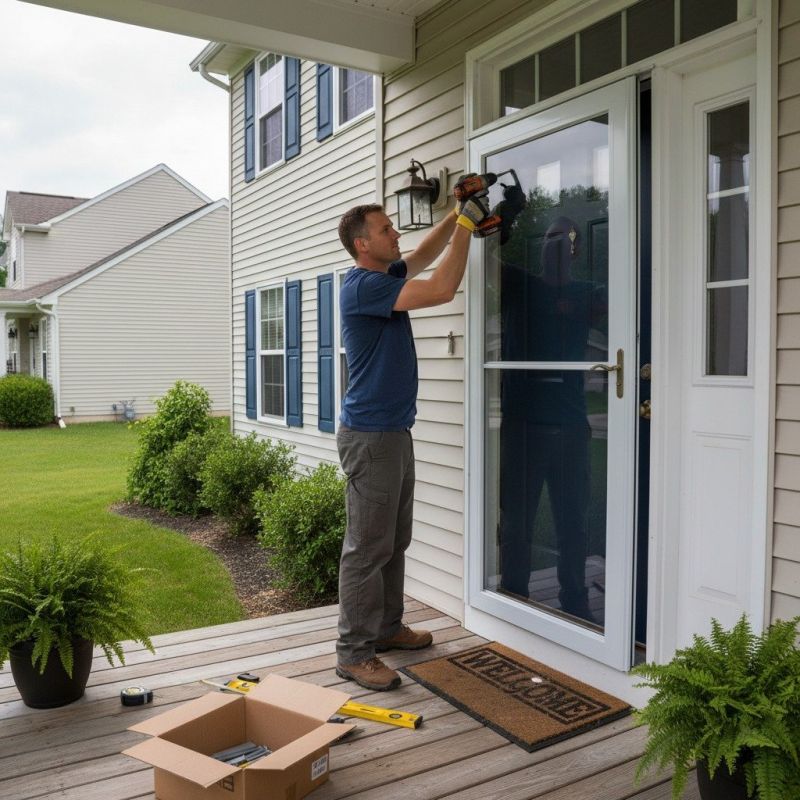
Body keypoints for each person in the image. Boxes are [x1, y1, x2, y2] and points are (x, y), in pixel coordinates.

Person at [335, 191, 491, 691]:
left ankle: (386, 629)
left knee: (393, 541)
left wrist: (453, 214)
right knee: (366, 548)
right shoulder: (362, 287)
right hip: (371, 436)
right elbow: (443, 287)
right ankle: (353, 652)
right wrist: (468, 224)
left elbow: (421, 256)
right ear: (363, 244)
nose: (395, 233)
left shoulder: (383, 276)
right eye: (385, 230)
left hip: (393, 431)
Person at [498, 215, 607, 624]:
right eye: (549, 237)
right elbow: (487, 261)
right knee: (517, 518)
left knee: (573, 520)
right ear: (539, 245)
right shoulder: (520, 286)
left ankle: (575, 598)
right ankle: (512, 594)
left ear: (576, 250)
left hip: (571, 426)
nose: (557, 244)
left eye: (566, 237)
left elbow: (627, 300)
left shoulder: (586, 293)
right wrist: (501, 227)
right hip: (523, 425)